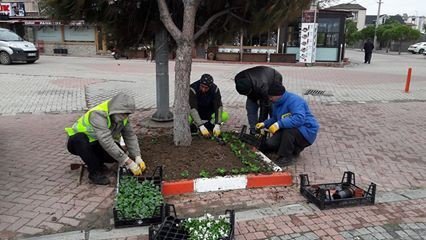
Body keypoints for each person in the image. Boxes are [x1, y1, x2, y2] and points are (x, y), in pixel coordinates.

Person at [65, 93, 146, 185]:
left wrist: (137, 156)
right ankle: (95, 173)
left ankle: (97, 162)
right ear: (116, 110)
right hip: (78, 144)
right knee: (80, 139)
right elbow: (106, 141)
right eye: (123, 114)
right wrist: (128, 161)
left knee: (114, 156)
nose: (125, 117)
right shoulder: (97, 114)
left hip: (97, 143)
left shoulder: (122, 116)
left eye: (127, 114)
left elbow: (130, 136)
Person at [256, 82, 319, 166]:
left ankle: (286, 157)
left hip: (306, 131)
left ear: (279, 95)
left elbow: (299, 119)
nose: (270, 99)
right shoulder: (276, 103)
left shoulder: (295, 101)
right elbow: (275, 118)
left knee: (289, 131)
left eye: (271, 97)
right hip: (292, 129)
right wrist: (264, 124)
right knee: (271, 143)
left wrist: (278, 124)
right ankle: (295, 150)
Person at [234, 66, 283, 135]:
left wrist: (262, 123)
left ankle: (276, 128)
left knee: (272, 107)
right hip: (257, 80)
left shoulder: (263, 86)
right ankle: (253, 129)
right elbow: (250, 95)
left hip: (273, 78)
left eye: (248, 93)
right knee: (250, 107)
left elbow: (265, 107)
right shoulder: (238, 79)